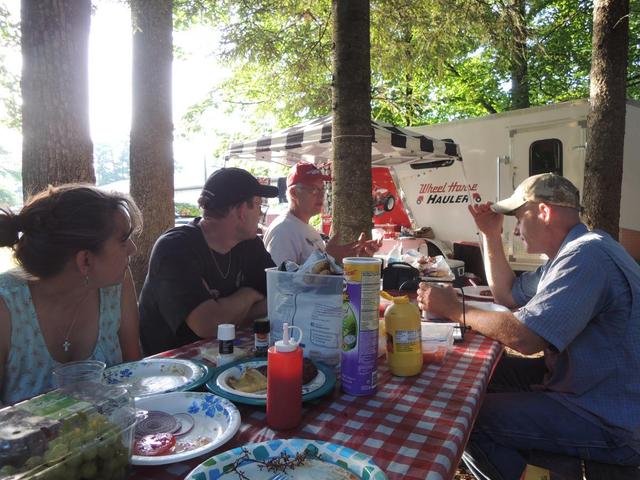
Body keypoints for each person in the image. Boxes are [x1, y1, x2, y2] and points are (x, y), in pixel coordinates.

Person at [416, 173, 640, 479]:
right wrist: (490, 235)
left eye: (520, 217)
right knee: (480, 376)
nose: (517, 229)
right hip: (585, 383)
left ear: (544, 212)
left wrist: (454, 309)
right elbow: (507, 294)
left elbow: (525, 338)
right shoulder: (576, 251)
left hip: (608, 417)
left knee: (462, 419)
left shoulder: (586, 255)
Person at [0, 184, 143, 405]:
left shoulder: (116, 284)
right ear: (85, 260)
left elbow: (135, 373)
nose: (133, 249)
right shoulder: (6, 304)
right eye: (123, 241)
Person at [139, 167, 279, 355]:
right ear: (241, 211)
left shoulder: (249, 244)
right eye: (258, 204)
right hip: (173, 366)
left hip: (229, 355)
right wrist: (250, 295)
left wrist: (226, 310)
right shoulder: (175, 248)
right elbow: (209, 324)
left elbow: (279, 295)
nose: (260, 213)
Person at [263, 162, 381, 265]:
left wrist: (356, 259)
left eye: (322, 189)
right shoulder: (283, 230)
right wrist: (328, 258)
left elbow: (323, 275)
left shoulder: (307, 229)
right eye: (313, 189)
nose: (321, 195)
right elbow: (280, 280)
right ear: (294, 193)